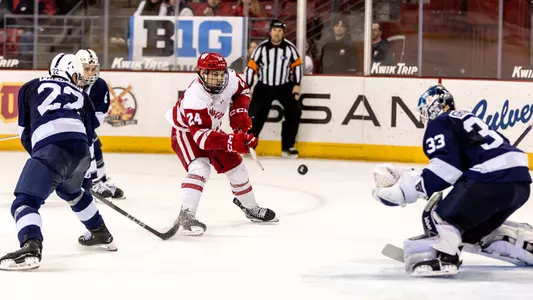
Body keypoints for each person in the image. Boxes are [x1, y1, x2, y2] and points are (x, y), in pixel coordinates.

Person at [372, 85, 533, 277]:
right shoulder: (465, 119)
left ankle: (443, 259)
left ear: (433, 107)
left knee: (440, 217)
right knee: (469, 233)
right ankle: (524, 242)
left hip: (492, 179)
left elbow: (446, 168)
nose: (424, 116)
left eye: (424, 111)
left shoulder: (440, 122)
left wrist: (407, 191)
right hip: (520, 182)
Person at [0, 53, 117, 271]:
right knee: (72, 192)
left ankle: (31, 246)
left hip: (52, 149)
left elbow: (25, 133)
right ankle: (100, 232)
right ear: (72, 74)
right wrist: (87, 176)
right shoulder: (82, 95)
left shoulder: (30, 86)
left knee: (25, 201)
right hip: (81, 150)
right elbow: (91, 139)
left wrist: (41, 161)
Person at [165, 52, 278, 236]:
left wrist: (239, 114)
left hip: (211, 131)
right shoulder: (195, 96)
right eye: (212, 74)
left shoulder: (230, 78)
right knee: (200, 168)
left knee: (238, 168)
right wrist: (233, 141)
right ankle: (186, 215)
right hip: (187, 133)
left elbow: (242, 91)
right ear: (201, 73)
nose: (218, 78)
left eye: (220, 73)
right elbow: (202, 139)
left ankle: (251, 208)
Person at [245, 19, 303, 158]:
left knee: (294, 113)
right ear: (270, 31)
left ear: (283, 32)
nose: (277, 33)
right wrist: (247, 87)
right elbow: (251, 67)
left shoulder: (290, 48)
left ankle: (287, 146)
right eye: (275, 30)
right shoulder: (261, 48)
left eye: (280, 30)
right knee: (255, 115)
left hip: (284, 86)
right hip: (264, 86)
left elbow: (297, 65)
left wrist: (296, 84)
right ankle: (249, 145)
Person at [76, 49, 125, 200]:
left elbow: (98, 116)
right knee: (89, 142)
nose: (90, 73)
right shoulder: (67, 81)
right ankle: (92, 181)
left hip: (83, 125)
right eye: (86, 69)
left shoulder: (100, 85)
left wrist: (83, 126)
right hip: (67, 126)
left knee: (94, 143)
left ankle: (101, 181)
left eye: (93, 69)